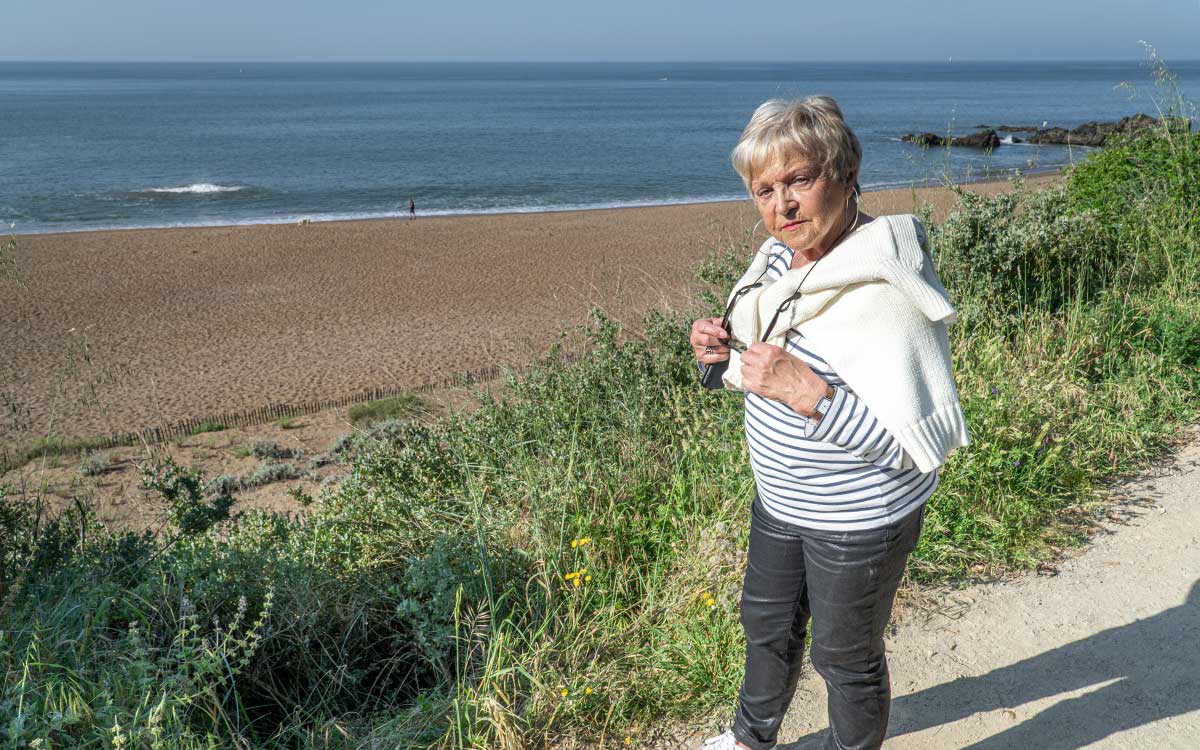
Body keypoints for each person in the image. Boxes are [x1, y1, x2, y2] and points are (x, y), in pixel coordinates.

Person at [689, 96, 969, 750]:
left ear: (845, 173)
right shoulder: (775, 265)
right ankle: (748, 740)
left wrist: (812, 397)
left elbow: (913, 450)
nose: (781, 206)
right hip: (781, 501)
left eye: (799, 180)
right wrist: (714, 356)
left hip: (860, 520)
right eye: (764, 190)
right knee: (766, 631)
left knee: (844, 660)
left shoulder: (883, 287)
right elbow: (754, 371)